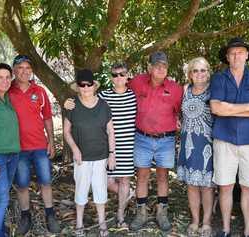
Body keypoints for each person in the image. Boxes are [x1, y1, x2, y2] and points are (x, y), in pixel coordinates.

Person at [64, 63, 137, 228]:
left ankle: (120, 216)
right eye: (115, 74)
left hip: (125, 145)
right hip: (104, 147)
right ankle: (130, 195)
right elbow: (81, 104)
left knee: (123, 180)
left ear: (127, 76)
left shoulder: (133, 96)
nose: (118, 77)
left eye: (121, 74)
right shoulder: (104, 96)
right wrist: (66, 102)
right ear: (111, 78)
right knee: (107, 182)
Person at [210, 37, 249, 237]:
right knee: (225, 186)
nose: (236, 56)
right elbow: (216, 108)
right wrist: (247, 107)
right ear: (227, 56)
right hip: (224, 140)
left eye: (240, 52)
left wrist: (230, 109)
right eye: (232, 53)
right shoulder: (218, 78)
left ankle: (248, 230)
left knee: (248, 187)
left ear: (247, 55)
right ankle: (225, 229)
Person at [129, 51, 183, 231]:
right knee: (142, 176)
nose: (161, 69)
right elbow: (122, 94)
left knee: (162, 177)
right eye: (157, 65)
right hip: (142, 137)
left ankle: (162, 213)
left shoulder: (175, 89)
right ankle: (141, 213)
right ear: (149, 67)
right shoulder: (137, 82)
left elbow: (179, 111)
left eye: (164, 66)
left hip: (165, 140)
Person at [8, 55, 60, 234]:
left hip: (39, 146)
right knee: (22, 184)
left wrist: (51, 142)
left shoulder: (39, 91)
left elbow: (47, 117)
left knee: (45, 182)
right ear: (14, 70)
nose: (24, 71)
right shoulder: (7, 91)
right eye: (20, 68)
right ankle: (25, 216)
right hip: (18, 148)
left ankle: (50, 214)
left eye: (28, 68)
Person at [64, 69, 116, 237]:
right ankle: (79, 223)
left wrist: (112, 154)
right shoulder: (72, 105)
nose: (85, 88)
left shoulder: (103, 105)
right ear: (78, 87)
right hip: (82, 158)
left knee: (100, 189)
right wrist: (75, 149)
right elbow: (66, 132)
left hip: (101, 156)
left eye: (88, 85)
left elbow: (110, 131)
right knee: (81, 189)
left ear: (94, 86)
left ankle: (102, 222)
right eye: (82, 85)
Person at [177, 57, 214, 237]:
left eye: (203, 70)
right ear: (190, 74)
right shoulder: (184, 90)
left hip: (207, 143)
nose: (199, 74)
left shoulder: (214, 90)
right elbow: (175, 110)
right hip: (188, 142)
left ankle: (206, 222)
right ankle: (195, 220)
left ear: (208, 72)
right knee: (192, 184)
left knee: (206, 185)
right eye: (195, 70)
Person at [0, 63, 20, 237]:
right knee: (2, 198)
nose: (5, 81)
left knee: (1, 196)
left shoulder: (7, 98)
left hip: (13, 155)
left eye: (7, 77)